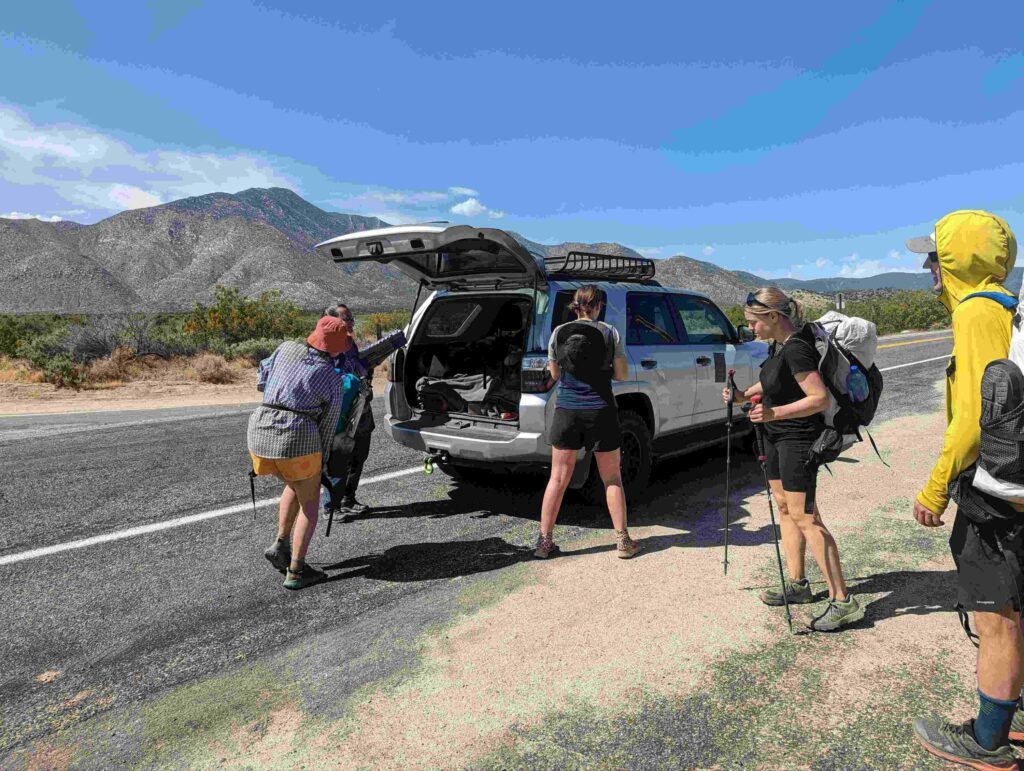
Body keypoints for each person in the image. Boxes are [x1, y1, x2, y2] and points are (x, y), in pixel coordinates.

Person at [905, 211, 1024, 770]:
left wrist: (934, 489)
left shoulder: (975, 311)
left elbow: (973, 420)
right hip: (1015, 483)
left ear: (957, 259)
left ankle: (988, 740)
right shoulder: (1006, 305)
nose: (928, 267)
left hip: (992, 493)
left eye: (934, 256)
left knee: (996, 616)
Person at [723, 287, 863, 631]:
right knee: (785, 508)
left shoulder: (797, 347)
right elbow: (772, 380)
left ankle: (843, 601)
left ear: (773, 316)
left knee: (806, 517)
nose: (750, 328)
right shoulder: (779, 346)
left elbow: (818, 398)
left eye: (753, 322)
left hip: (798, 440)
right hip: (775, 438)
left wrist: (774, 413)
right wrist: (742, 395)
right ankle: (799, 584)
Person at [535, 284, 640, 560]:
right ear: (599, 306)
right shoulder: (609, 332)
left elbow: (555, 374)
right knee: (612, 478)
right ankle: (623, 542)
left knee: (558, 478)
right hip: (600, 411)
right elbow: (621, 374)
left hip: (567, 411)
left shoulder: (558, 332)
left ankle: (544, 543)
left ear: (575, 306)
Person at [248, 315, 349, 590]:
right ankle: (296, 571)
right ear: (338, 348)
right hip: (297, 440)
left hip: (260, 432)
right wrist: (324, 460)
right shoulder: (332, 378)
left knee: (295, 484)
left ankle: (280, 545)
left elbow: (262, 376)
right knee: (310, 504)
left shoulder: (286, 347)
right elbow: (328, 425)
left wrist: (280, 393)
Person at [325, 302, 375, 514]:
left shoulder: (350, 343)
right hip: (342, 412)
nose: (352, 322)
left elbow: (358, 367)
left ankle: (348, 499)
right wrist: (353, 383)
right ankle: (332, 506)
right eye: (347, 319)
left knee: (358, 455)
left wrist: (366, 373)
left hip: (361, 407)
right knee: (338, 459)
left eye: (352, 318)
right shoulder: (325, 346)